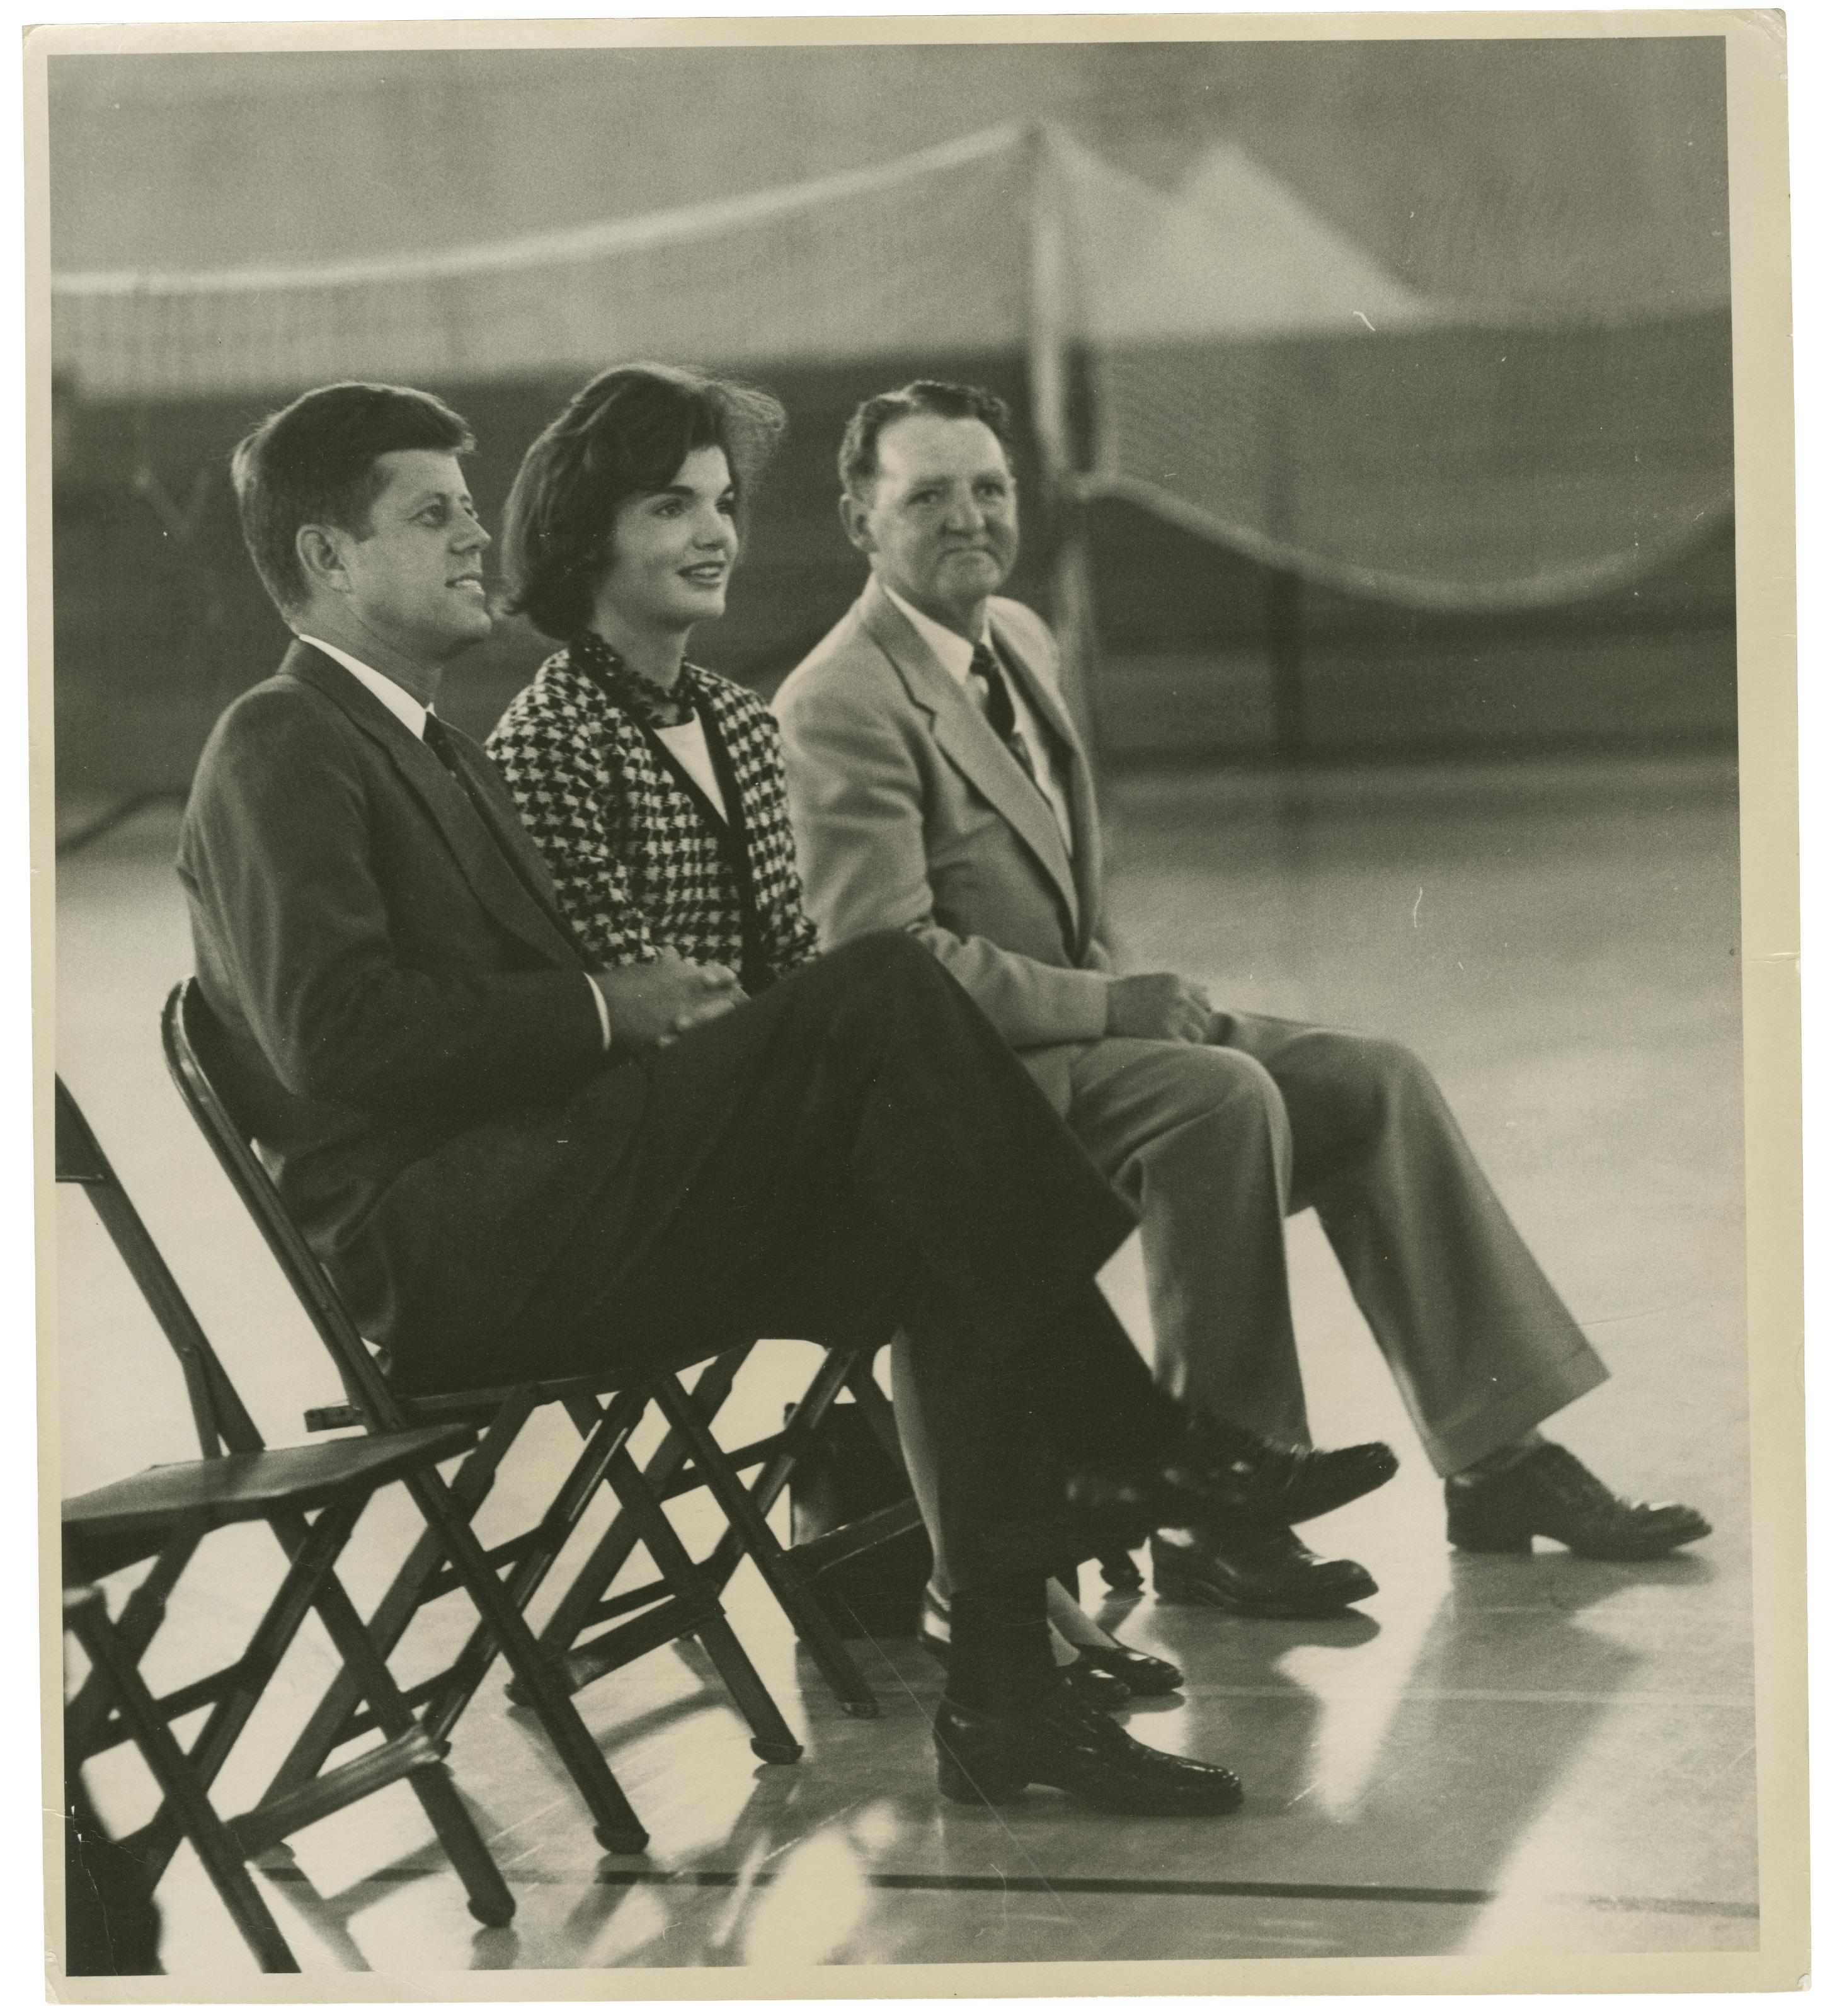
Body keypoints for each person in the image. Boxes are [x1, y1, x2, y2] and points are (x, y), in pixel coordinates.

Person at [176, 379, 1388, 1820]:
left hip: (549, 1189)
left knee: (928, 1207)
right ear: (328, 560)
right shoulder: (282, 738)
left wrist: (657, 1027)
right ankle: (1138, 1443)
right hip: (448, 1243)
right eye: (432, 513)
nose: (472, 538)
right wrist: (604, 1006)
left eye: (468, 507)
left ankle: (1007, 1700)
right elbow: (331, 1034)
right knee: (881, 985)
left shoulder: (427, 741)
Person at [773, 379, 1711, 1617]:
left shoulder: (1022, 639)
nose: (968, 518)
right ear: (860, 517)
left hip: (1079, 1039)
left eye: (989, 488)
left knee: (1370, 1078)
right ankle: (1225, 1507)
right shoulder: (838, 701)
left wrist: (1121, 988)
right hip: (971, 1093)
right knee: (1210, 1098)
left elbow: (1053, 886)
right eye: (928, 495)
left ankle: (1497, 1461)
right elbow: (887, 963)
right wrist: (1110, 1008)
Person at [482, 362, 1298, 1705]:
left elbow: (795, 973)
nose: (713, 534)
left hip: (775, 1124)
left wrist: (813, 1043)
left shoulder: (738, 719)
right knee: (939, 1152)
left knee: (939, 1168)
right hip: (663, 1166)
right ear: (584, 539)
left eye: (723, 503)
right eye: (666, 508)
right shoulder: (550, 741)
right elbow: (642, 1011)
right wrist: (807, 1045)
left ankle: (1008, 1606)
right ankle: (1113, 1470)